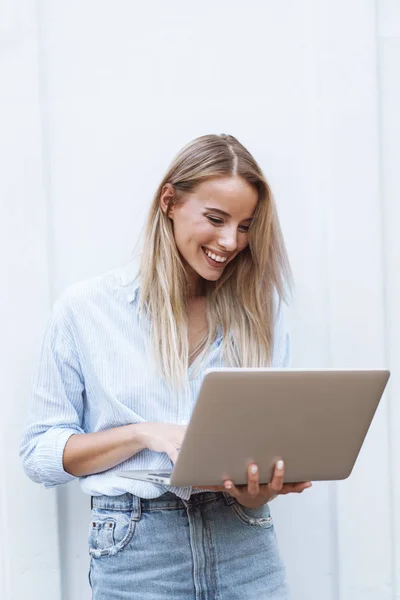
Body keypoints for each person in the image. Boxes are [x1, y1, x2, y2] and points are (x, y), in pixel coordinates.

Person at [20, 134, 311, 599]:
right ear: (169, 202)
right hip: (135, 548)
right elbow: (39, 455)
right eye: (215, 219)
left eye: (245, 226)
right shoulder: (87, 309)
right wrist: (144, 433)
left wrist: (258, 489)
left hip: (243, 543)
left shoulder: (262, 312)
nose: (230, 241)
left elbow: (261, 454)